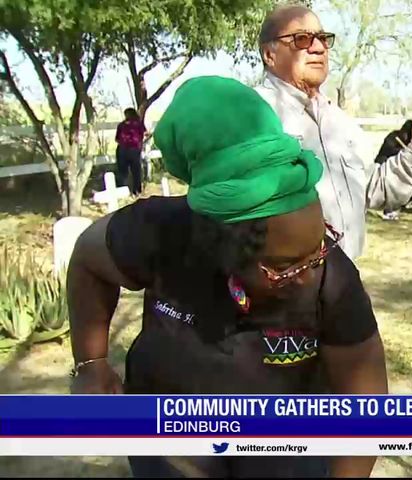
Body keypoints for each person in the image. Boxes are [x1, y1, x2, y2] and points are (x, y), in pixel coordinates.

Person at [67, 77, 387, 478]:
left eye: (319, 247)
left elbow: (366, 404)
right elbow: (87, 259)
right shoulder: (161, 232)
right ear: (224, 246)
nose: (311, 275)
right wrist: (91, 362)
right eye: (287, 266)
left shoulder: (333, 277)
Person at [255, 4, 412, 259]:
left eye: (322, 38)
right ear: (269, 54)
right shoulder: (253, 115)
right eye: (301, 39)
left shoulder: (339, 122)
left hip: (344, 287)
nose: (318, 47)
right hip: (281, 292)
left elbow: (373, 189)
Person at [374, 119, 412, 221]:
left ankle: (401, 204)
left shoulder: (409, 141)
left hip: (397, 169)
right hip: (384, 165)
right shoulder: (393, 137)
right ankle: (388, 208)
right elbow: (388, 152)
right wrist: (402, 151)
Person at [115, 108, 146, 196]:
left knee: (124, 171)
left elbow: (117, 139)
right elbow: (142, 135)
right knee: (134, 171)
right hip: (132, 150)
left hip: (125, 150)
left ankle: (126, 190)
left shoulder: (122, 125)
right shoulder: (138, 124)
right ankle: (135, 191)